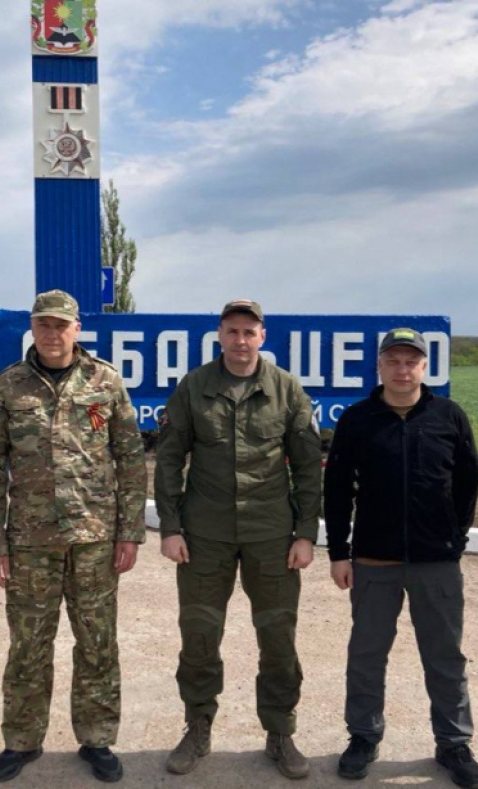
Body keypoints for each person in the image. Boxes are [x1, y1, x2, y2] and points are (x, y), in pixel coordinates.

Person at [0, 290, 147, 784]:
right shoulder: (10, 386)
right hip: (30, 542)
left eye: (61, 325)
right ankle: (21, 741)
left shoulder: (105, 381)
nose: (52, 334)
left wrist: (130, 531)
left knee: (97, 643)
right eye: (44, 325)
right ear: (33, 328)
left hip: (95, 538)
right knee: (28, 646)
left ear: (77, 329)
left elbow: (130, 459)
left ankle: (97, 738)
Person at [154, 298, 323, 780]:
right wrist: (171, 527)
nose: (241, 340)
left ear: (262, 337)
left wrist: (305, 534)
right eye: (232, 331)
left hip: (271, 535)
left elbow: (308, 468)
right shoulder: (194, 387)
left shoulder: (286, 389)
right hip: (204, 534)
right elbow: (169, 460)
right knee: (199, 634)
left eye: (249, 332)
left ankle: (280, 731)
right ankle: (198, 726)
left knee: (278, 635)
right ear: (220, 336)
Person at [324, 328, 478, 787]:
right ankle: (363, 736)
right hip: (374, 560)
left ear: (424, 367)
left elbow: (467, 481)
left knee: (445, 655)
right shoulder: (358, 419)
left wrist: (455, 538)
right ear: (379, 366)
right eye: (392, 360)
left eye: (411, 361)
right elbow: (337, 490)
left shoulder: (448, 416)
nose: (402, 369)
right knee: (367, 653)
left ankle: (453, 742)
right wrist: (339, 552)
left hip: (437, 561)